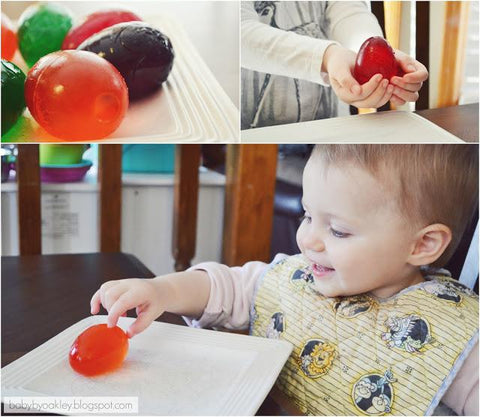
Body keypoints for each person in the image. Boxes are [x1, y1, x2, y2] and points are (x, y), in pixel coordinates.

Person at [91, 145, 478, 416]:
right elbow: (226, 287)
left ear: (423, 244)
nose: (307, 240)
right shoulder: (294, 278)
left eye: (338, 231)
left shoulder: (458, 337)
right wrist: (163, 290)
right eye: (308, 216)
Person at [241, 1, 429, 129]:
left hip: (331, 128)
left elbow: (348, 12)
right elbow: (236, 32)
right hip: (248, 136)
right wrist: (327, 56)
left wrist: (369, 60)